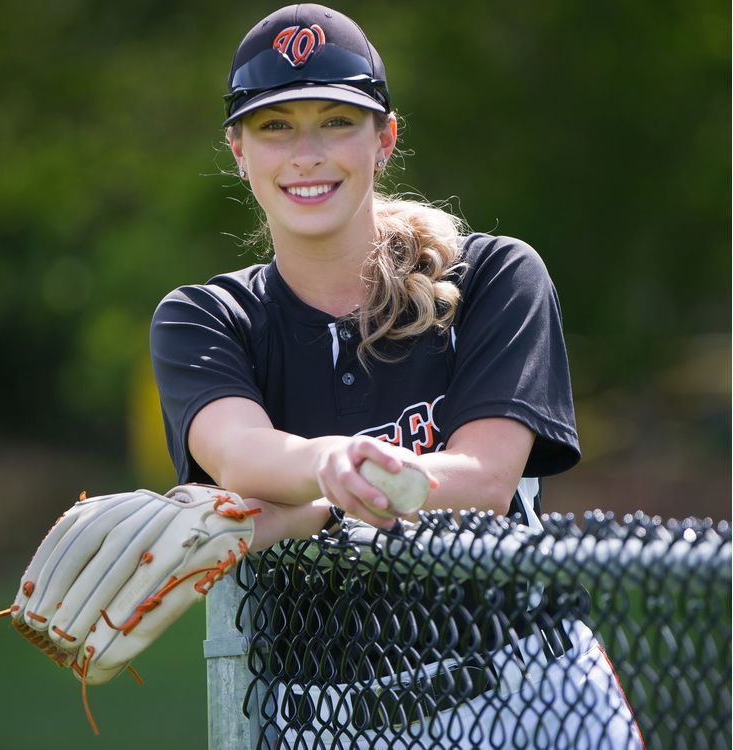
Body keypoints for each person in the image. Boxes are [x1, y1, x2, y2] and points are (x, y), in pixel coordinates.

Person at [149, 4, 644, 748]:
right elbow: (240, 456)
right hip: (327, 726)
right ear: (237, 149)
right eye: (275, 125)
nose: (306, 153)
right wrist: (330, 469)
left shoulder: (494, 276)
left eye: (336, 122)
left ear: (385, 140)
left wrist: (304, 506)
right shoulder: (206, 317)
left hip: (523, 700)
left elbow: (481, 482)